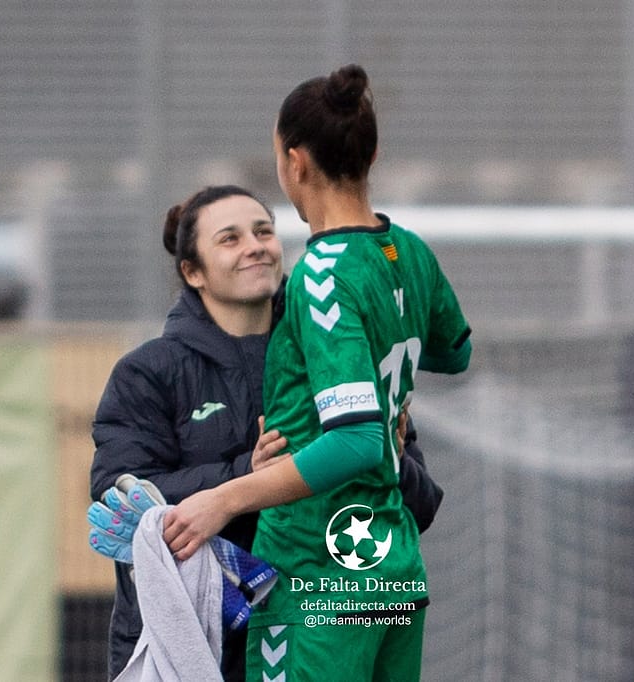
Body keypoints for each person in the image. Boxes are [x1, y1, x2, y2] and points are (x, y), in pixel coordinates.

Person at [162, 64, 471, 681]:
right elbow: (454, 351)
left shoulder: (321, 272)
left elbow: (355, 440)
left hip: (318, 576)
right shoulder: (406, 250)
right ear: (373, 152)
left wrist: (221, 500)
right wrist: (389, 385)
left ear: (294, 162)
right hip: (391, 569)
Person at [89, 184, 445, 681]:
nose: (255, 246)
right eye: (230, 239)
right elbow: (118, 498)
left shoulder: (337, 348)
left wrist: (383, 450)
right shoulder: (148, 373)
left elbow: (421, 506)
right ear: (193, 273)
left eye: (263, 231)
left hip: (317, 633)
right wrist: (244, 476)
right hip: (198, 647)